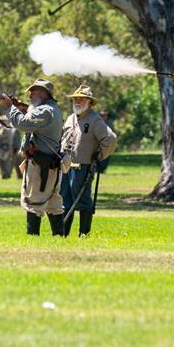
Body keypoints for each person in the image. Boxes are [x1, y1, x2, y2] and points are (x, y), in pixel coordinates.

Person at [0, 79, 64, 236]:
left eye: (33, 91)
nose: (30, 94)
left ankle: (33, 238)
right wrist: (19, 107)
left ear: (44, 93)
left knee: (33, 202)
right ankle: (60, 237)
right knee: (53, 204)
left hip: (41, 164)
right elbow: (31, 116)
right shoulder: (48, 109)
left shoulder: (45, 111)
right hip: (48, 164)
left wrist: (10, 107)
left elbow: (22, 123)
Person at [60, 85, 117, 237]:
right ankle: (63, 234)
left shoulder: (95, 119)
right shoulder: (71, 118)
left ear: (89, 102)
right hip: (66, 166)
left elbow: (110, 139)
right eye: (76, 98)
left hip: (83, 166)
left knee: (83, 201)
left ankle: (84, 234)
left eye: (82, 98)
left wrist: (99, 156)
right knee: (65, 202)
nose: (78, 101)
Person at [96, 110, 114, 174]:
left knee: (106, 157)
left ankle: (102, 169)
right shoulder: (97, 123)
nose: (103, 116)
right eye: (102, 115)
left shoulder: (109, 123)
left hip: (106, 143)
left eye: (105, 115)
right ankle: (96, 169)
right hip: (97, 143)